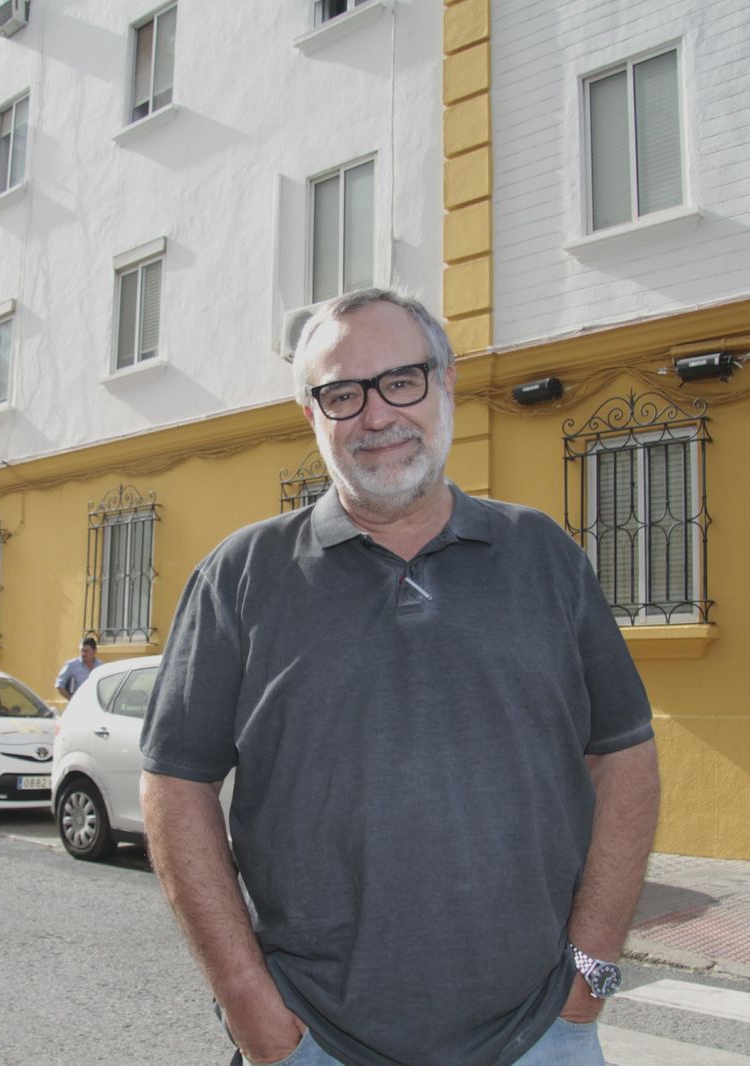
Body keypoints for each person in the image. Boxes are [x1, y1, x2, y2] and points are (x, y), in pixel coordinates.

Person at [140, 289, 660, 1066]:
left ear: (445, 385)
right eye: (342, 394)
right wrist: (250, 1005)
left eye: (401, 381)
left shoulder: (543, 556)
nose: (376, 415)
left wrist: (589, 974)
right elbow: (174, 788)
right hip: (315, 1044)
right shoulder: (242, 576)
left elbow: (625, 756)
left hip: (539, 1037)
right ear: (312, 416)